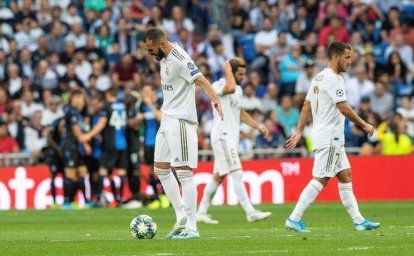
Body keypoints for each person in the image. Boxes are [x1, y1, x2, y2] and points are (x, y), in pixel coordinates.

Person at [285, 42, 381, 232]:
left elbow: (306, 106)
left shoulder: (318, 77)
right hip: (330, 137)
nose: (350, 61)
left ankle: (359, 221)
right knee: (321, 178)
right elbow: (343, 107)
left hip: (328, 136)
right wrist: (365, 124)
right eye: (346, 57)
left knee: (345, 175)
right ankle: (293, 218)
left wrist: (298, 131)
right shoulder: (334, 79)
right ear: (335, 57)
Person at [142, 27, 223, 239]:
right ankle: (181, 218)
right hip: (167, 117)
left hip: (181, 121)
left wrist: (216, 101)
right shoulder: (163, 57)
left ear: (161, 44)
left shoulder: (180, 58)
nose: (149, 53)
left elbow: (202, 80)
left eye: (151, 49)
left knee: (184, 173)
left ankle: (193, 227)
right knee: (160, 169)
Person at [197, 58, 271, 224]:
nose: (243, 77)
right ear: (230, 71)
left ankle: (201, 211)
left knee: (219, 175)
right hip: (222, 135)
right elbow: (229, 88)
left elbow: (240, 112)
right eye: (240, 74)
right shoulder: (217, 85)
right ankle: (250, 211)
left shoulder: (239, 89)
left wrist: (257, 125)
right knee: (237, 171)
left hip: (229, 137)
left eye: (244, 74)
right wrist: (228, 69)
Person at [82, 89, 129, 208]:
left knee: (102, 171)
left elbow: (102, 122)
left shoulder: (107, 106)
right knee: (121, 171)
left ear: (107, 96)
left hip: (110, 142)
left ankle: (98, 199)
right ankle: (119, 199)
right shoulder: (122, 105)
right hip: (123, 143)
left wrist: (89, 135)